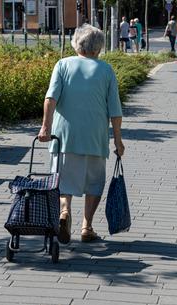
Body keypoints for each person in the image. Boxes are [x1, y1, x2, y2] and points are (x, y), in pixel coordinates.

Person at [38, 24, 125, 244]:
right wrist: (118, 140)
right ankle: (87, 227)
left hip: (64, 136)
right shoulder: (106, 70)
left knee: (62, 180)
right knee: (94, 182)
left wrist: (45, 127)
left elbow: (50, 99)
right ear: (99, 47)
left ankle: (64, 212)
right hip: (94, 137)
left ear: (77, 43)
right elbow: (114, 110)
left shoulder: (62, 65)